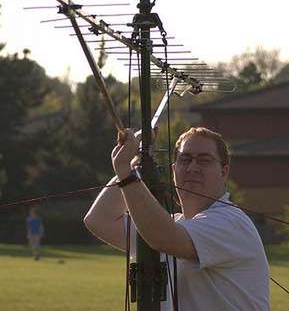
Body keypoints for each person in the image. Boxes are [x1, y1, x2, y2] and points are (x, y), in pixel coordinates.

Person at [84, 127, 270, 311]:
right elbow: (100, 220)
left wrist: (125, 171)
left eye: (204, 161)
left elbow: (164, 239)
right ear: (174, 169)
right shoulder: (170, 225)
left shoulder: (231, 222)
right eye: (185, 159)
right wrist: (133, 161)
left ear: (224, 171)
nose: (192, 168)